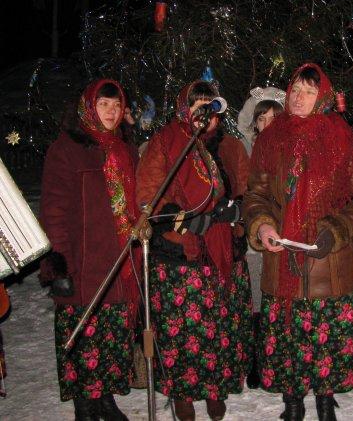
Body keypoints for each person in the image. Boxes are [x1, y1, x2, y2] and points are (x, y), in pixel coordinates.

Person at [243, 63, 353, 421]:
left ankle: (324, 401)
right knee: (288, 338)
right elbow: (256, 195)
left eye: (309, 91)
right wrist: (263, 226)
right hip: (282, 261)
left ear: (323, 97)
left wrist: (337, 228)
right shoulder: (271, 139)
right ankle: (292, 403)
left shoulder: (346, 140)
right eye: (296, 90)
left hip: (328, 264)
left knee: (325, 342)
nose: (299, 97)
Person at [136, 80, 252, 421]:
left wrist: (238, 210)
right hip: (181, 255)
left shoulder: (230, 146)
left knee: (220, 328)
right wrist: (184, 220)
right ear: (184, 109)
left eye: (209, 105)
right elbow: (149, 195)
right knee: (184, 332)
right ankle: (183, 394)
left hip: (223, 250)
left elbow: (248, 189)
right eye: (197, 105)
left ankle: (216, 388)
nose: (205, 113)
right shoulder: (166, 143)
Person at [40, 79, 140, 421]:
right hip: (83, 260)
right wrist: (59, 262)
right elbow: (54, 210)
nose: (111, 112)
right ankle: (85, 404)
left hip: (118, 258)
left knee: (112, 334)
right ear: (88, 107)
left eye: (116, 105)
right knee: (84, 336)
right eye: (103, 104)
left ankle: (106, 398)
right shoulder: (66, 149)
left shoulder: (125, 149)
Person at [236, 86, 286, 389]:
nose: (267, 124)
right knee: (256, 302)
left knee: (279, 302)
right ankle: (255, 361)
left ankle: (277, 359)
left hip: (284, 239)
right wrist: (259, 97)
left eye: (273, 118)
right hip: (254, 242)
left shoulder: (289, 149)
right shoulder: (245, 149)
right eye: (262, 118)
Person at [237, 86, 286, 155]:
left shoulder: (292, 150)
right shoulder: (242, 149)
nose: (266, 124)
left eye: (272, 119)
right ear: (256, 123)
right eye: (261, 119)